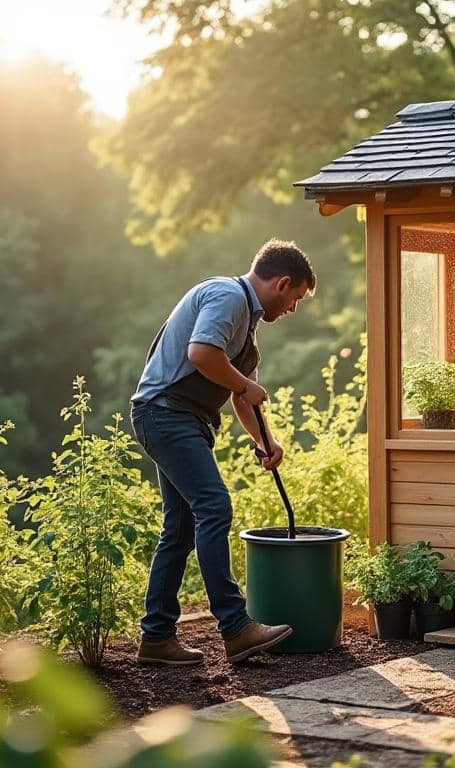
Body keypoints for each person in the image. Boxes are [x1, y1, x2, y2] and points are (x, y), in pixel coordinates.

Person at [129, 239, 315, 665]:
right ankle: (235, 627)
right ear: (282, 283)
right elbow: (201, 355)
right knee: (214, 506)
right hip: (165, 414)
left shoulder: (246, 327)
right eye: (296, 298)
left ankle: (156, 638)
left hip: (178, 419)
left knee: (179, 528)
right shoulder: (227, 296)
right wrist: (244, 384)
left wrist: (266, 441)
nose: (292, 309)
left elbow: (241, 396)